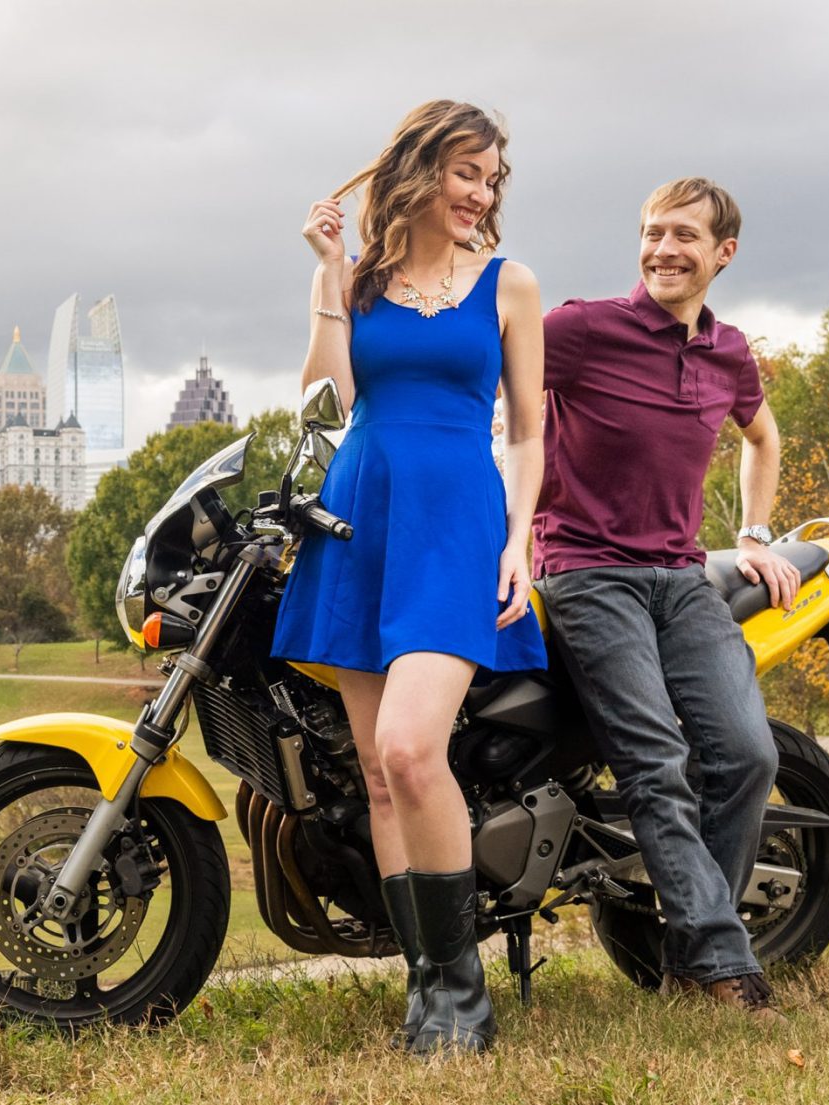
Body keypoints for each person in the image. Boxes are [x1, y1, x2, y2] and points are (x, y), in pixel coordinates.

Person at [270, 100, 547, 1054]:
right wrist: (326, 272)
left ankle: (464, 991)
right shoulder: (364, 281)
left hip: (458, 527)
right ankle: (428, 988)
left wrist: (519, 541)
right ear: (423, 171)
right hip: (363, 520)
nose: (480, 192)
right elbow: (328, 399)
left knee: (410, 749)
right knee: (382, 780)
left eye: (491, 178)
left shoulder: (512, 286)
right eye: (466, 172)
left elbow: (527, 430)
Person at [534, 177, 800, 1025]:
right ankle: (723, 962)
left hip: (683, 577)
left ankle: (692, 953)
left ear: (723, 253)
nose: (663, 249)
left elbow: (763, 435)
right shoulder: (580, 330)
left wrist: (754, 532)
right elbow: (491, 392)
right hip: (583, 569)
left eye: (684, 235)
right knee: (655, 763)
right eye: (652, 233)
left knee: (747, 756)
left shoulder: (728, 353)